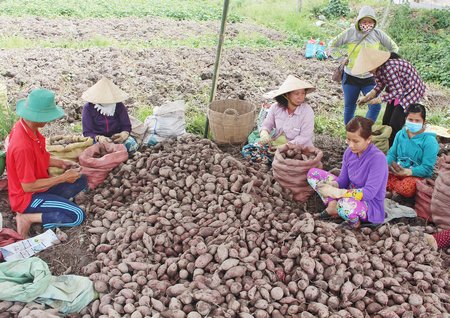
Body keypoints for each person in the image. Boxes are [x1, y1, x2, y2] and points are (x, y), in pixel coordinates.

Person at [6, 89, 87, 238]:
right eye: (47, 116)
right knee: (78, 215)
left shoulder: (28, 128)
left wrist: (61, 163)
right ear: (36, 116)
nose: (49, 120)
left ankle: (51, 209)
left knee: (82, 179)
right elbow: (28, 186)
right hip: (28, 198)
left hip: (41, 188)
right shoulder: (22, 146)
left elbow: (38, 158)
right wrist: (63, 178)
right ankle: (28, 217)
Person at [307, 116, 388, 228]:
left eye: (355, 141)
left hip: (369, 203)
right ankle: (332, 206)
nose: (350, 145)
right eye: (348, 139)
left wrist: (338, 193)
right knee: (313, 174)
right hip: (349, 192)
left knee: (345, 206)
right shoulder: (349, 152)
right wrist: (332, 185)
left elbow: (369, 193)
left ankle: (355, 223)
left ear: (368, 139)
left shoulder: (378, 159)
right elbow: (343, 181)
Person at [329, 5, 398, 125]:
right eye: (364, 21)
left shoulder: (378, 34)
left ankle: (365, 132)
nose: (367, 24)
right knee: (350, 107)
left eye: (370, 21)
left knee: (375, 106)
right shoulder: (350, 33)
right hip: (351, 76)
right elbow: (331, 45)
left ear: (374, 22)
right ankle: (350, 135)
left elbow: (394, 48)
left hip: (370, 78)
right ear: (359, 21)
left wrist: (383, 61)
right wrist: (340, 58)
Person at [353, 48, 426, 146]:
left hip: (410, 90)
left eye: (369, 68)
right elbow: (379, 85)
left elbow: (399, 92)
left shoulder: (389, 67)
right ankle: (385, 144)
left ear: (375, 63)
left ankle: (392, 148)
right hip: (397, 89)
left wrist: (380, 99)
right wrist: (367, 97)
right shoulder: (377, 70)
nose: (369, 71)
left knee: (395, 124)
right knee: (386, 121)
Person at [242, 75, 315, 164]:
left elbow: (304, 137)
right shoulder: (275, 108)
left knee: (298, 161)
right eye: (296, 94)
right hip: (275, 145)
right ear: (287, 95)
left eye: (303, 93)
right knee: (247, 150)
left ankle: (277, 163)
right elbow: (267, 124)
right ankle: (274, 162)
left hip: (297, 149)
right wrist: (264, 133)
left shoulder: (307, 111)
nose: (301, 97)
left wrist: (285, 147)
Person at [386, 103, 439, 198]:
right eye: (410, 120)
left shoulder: (430, 141)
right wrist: (385, 165)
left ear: (424, 122)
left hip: (416, 175)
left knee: (407, 188)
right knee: (378, 175)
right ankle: (395, 189)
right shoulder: (400, 134)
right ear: (405, 119)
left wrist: (408, 172)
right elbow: (392, 154)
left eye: (417, 121)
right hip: (397, 170)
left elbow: (427, 168)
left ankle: (393, 189)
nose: (413, 123)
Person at [81, 77, 138, 152]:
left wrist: (124, 134)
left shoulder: (119, 106)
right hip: (97, 139)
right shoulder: (88, 108)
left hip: (116, 138)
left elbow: (126, 125)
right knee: (92, 150)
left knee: (132, 145)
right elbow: (87, 132)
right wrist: (99, 138)